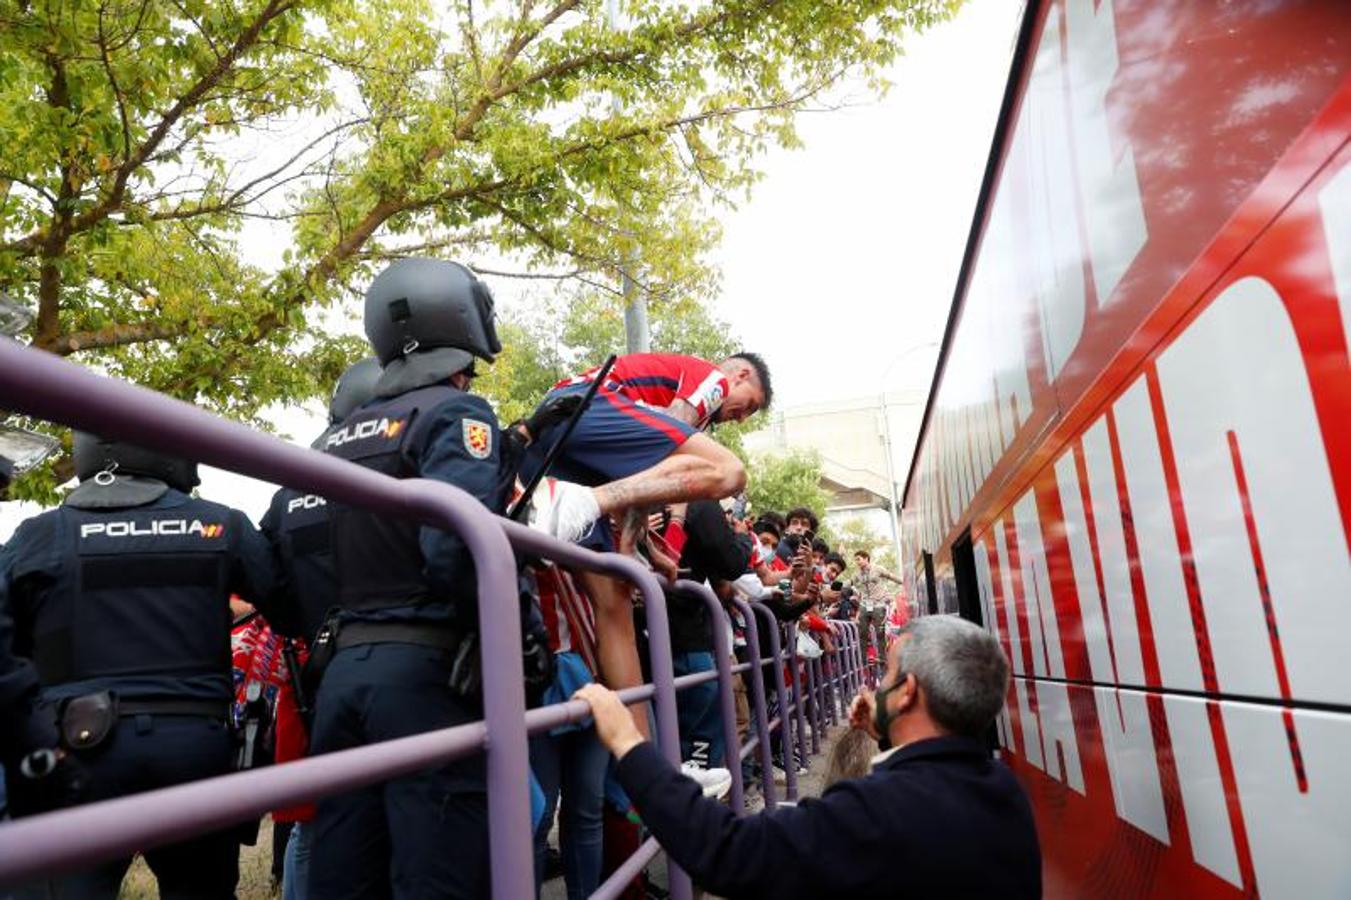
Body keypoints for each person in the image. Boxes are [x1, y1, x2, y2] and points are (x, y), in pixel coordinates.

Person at [307, 257, 528, 899]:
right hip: (426, 677)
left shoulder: (340, 436)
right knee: (440, 877)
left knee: (347, 878)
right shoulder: (457, 412)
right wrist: (522, 629)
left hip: (344, 676)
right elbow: (455, 550)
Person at [1, 433, 289, 898]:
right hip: (194, 749)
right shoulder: (220, 524)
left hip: (77, 747)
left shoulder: (36, 535)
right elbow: (288, 607)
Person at [573, 616, 1040, 900]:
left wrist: (628, 741)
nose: (875, 685)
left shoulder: (877, 814)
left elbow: (723, 849)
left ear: (908, 693)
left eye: (887, 675)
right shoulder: (1005, 793)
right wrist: (885, 731)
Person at [520, 351, 772, 737]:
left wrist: (641, 552)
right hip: (585, 406)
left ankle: (644, 766)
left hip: (555, 448)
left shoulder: (651, 415)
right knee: (728, 470)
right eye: (747, 406)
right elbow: (660, 450)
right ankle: (579, 504)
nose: (739, 417)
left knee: (614, 603)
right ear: (738, 375)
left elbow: (641, 476)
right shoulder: (712, 379)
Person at [851, 549, 903, 661]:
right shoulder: (857, 575)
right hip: (866, 604)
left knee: (880, 631)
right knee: (862, 631)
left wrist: (904, 582)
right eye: (856, 560)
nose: (857, 562)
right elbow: (849, 583)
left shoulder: (878, 569)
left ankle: (882, 657)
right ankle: (863, 658)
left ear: (866, 558)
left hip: (879, 604)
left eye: (859, 559)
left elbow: (890, 576)